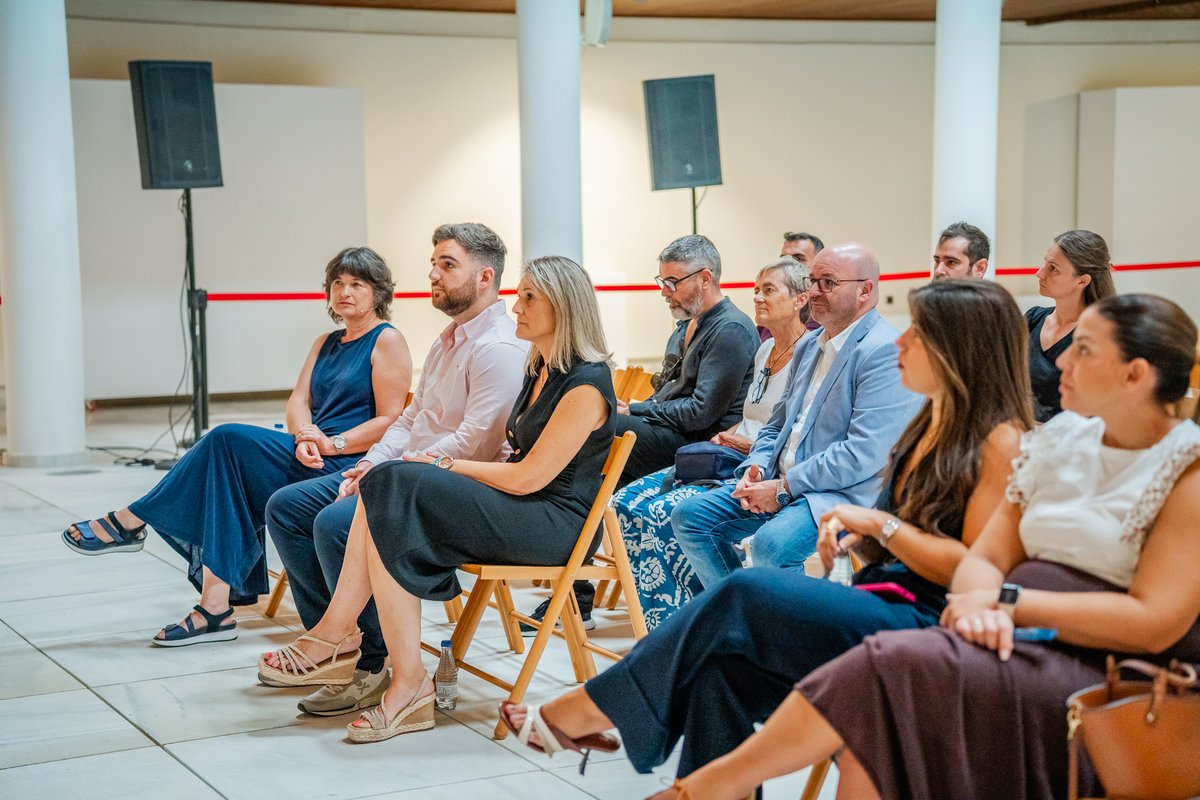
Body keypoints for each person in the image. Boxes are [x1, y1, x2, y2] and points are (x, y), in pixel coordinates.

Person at [646, 293, 1200, 800]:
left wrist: (999, 602)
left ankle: (700, 787)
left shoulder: (1185, 469)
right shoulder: (1062, 440)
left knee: (862, 655)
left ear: (1136, 373)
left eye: (1082, 349)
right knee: (739, 664)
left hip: (1101, 668)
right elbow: (987, 556)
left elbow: (1153, 621)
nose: (1061, 362)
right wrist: (980, 598)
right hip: (1002, 632)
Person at [498, 278, 1035, 785]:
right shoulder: (930, 423)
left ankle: (586, 709)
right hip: (881, 592)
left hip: (929, 620)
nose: (903, 340)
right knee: (719, 673)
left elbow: (974, 571)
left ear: (959, 350)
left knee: (745, 590)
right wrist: (863, 535)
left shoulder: (1001, 442)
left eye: (919, 333)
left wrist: (878, 524)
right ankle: (702, 784)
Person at [257, 255, 618, 744]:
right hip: (522, 504)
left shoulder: (586, 382)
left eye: (530, 297)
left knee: (395, 483)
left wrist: (441, 465)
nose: (516, 307)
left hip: (554, 525)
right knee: (386, 490)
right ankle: (403, 678)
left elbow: (530, 477)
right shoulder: (542, 369)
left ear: (565, 306)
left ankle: (343, 638)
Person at [62, 247, 412, 646]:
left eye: (356, 285)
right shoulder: (325, 342)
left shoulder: (387, 341)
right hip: (310, 450)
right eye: (337, 283)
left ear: (378, 292)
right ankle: (214, 608)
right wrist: (303, 436)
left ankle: (134, 522)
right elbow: (298, 400)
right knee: (223, 466)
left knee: (225, 441)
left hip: (348, 461)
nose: (344, 292)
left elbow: (391, 420)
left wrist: (330, 444)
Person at [262, 223, 526, 716]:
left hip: (447, 487)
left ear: (485, 277)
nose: (432, 274)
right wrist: (368, 464)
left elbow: (475, 440)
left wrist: (390, 474)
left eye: (447, 265)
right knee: (288, 508)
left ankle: (372, 663)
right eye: (434, 264)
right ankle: (343, 646)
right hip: (405, 473)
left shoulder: (498, 347)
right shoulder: (448, 340)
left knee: (335, 525)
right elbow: (410, 418)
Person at [522, 234, 758, 632]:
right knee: (593, 464)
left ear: (705, 278)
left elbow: (701, 414)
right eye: (661, 281)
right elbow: (668, 399)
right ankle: (574, 589)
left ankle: (572, 584)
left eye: (673, 282)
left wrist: (635, 408)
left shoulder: (731, 329)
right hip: (669, 437)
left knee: (597, 432)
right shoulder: (686, 326)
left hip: (702, 451)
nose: (664, 292)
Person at [671, 242, 921, 587]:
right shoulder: (809, 344)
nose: (814, 291)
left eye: (828, 283)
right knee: (690, 517)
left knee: (772, 546)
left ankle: (780, 631)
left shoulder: (882, 351)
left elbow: (861, 454)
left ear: (865, 290)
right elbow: (776, 425)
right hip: (781, 480)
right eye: (812, 280)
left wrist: (784, 488)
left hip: (841, 492)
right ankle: (745, 620)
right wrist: (755, 468)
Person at [615, 257, 811, 630]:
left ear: (801, 300)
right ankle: (672, 622)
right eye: (756, 289)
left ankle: (716, 619)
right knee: (625, 504)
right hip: (731, 453)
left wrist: (741, 446)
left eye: (768, 290)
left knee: (662, 514)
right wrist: (730, 434)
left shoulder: (808, 354)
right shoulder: (765, 350)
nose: (757, 297)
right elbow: (753, 414)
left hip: (756, 467)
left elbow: (790, 429)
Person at [1026, 229, 1116, 422]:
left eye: (1053, 268)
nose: (1039, 273)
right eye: (1044, 264)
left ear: (1082, 281)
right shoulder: (1032, 319)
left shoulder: (1101, 335)